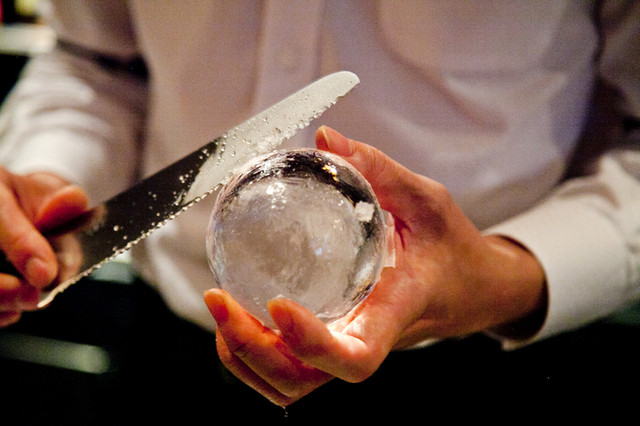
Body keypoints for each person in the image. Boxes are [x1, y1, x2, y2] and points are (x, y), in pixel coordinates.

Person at [0, 0, 638, 407]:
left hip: (482, 363)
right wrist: (44, 187)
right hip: (173, 347)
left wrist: (502, 276)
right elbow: (97, 60)